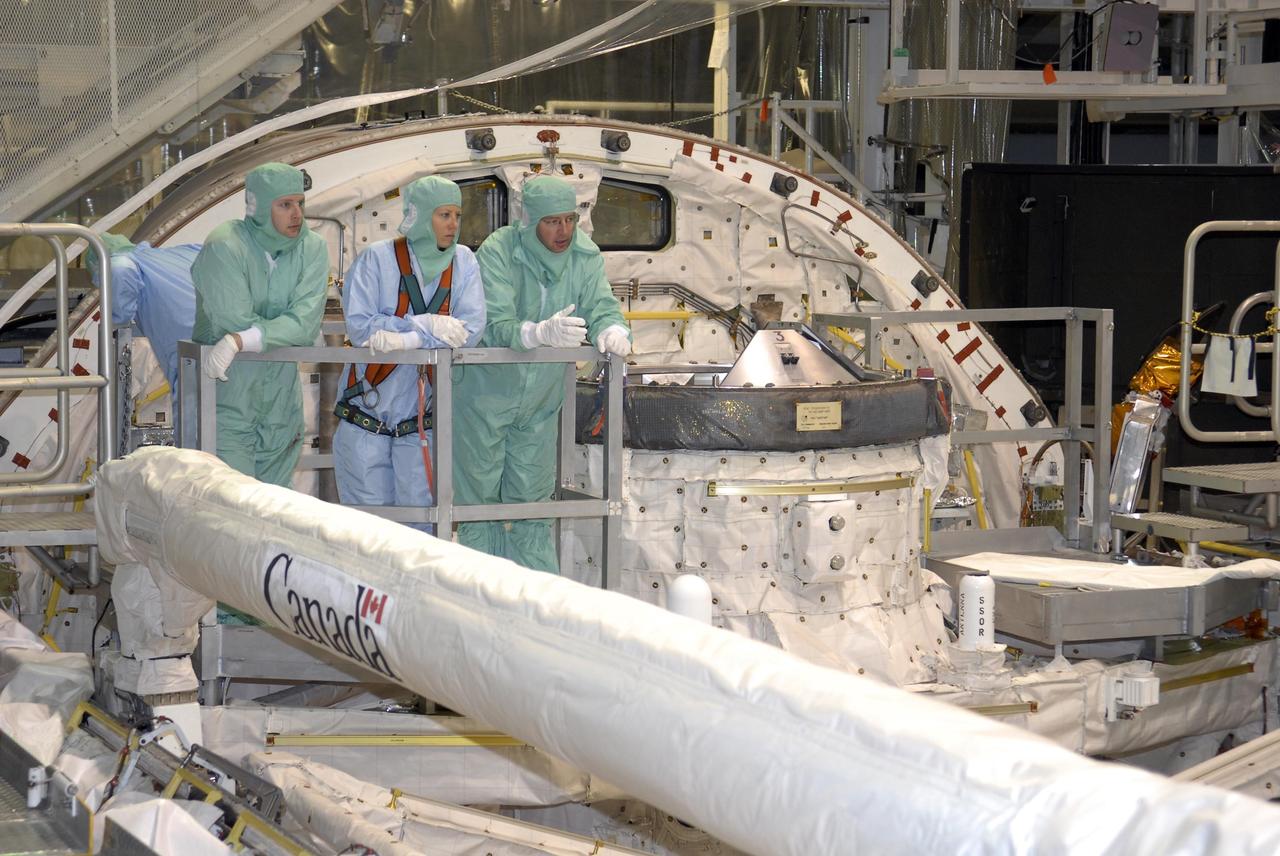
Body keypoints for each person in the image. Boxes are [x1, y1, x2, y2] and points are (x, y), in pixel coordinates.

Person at [454, 174, 630, 573]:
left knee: (531, 505)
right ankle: (476, 594)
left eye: (569, 219)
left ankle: (534, 602)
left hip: (539, 404)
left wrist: (613, 328)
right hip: (484, 399)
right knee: (476, 503)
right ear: (529, 221)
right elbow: (493, 322)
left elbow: (600, 303)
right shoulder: (500, 251)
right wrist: (536, 333)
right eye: (552, 222)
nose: (563, 230)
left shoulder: (585, 255)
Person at [333, 175, 484, 528]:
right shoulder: (377, 260)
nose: (452, 225)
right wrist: (425, 326)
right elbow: (360, 327)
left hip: (420, 429)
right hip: (365, 418)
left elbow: (471, 329)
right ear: (418, 216)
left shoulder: (464, 262)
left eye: (457, 215)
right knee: (368, 531)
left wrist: (409, 340)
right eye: (443, 215)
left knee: (420, 536)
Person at [191, 162, 328, 487]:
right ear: (258, 207)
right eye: (285, 205)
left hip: (282, 395)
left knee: (276, 508)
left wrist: (240, 340)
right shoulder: (225, 245)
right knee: (230, 504)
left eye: (300, 203)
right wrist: (275, 330)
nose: (297, 214)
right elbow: (232, 318)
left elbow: (306, 324)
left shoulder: (312, 247)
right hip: (228, 391)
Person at [87, 233, 199, 391]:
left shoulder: (123, 262)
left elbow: (120, 269)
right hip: (237, 343)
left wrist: (116, 322)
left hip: (192, 354)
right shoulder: (181, 252)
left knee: (195, 409)